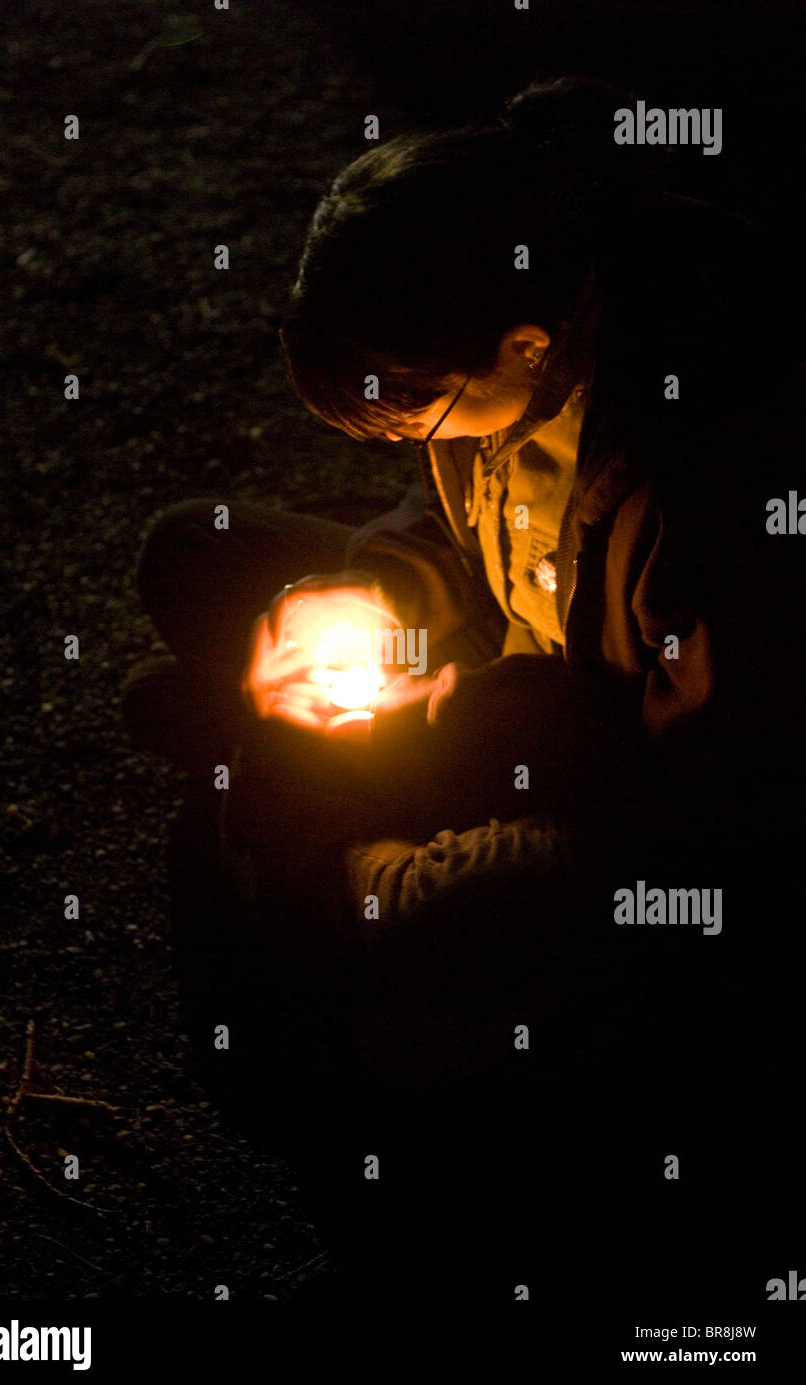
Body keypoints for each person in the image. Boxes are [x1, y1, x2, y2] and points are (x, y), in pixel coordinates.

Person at [123, 77, 805, 1303]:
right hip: (500, 695)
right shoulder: (523, 344)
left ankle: (350, 1064)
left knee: (289, 854)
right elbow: (450, 516)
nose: (404, 445)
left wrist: (385, 861)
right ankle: (276, 785)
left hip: (621, 809)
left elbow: (682, 831)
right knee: (199, 554)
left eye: (411, 413)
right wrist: (374, 591)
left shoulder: (701, 491)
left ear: (525, 348)